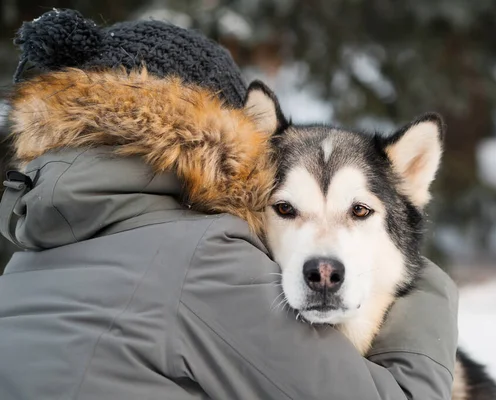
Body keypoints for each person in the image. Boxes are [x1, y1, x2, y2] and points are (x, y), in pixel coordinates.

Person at [0, 9, 458, 400]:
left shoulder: (32, 253)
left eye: (358, 212)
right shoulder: (204, 258)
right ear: (222, 143)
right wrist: (427, 280)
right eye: (285, 208)